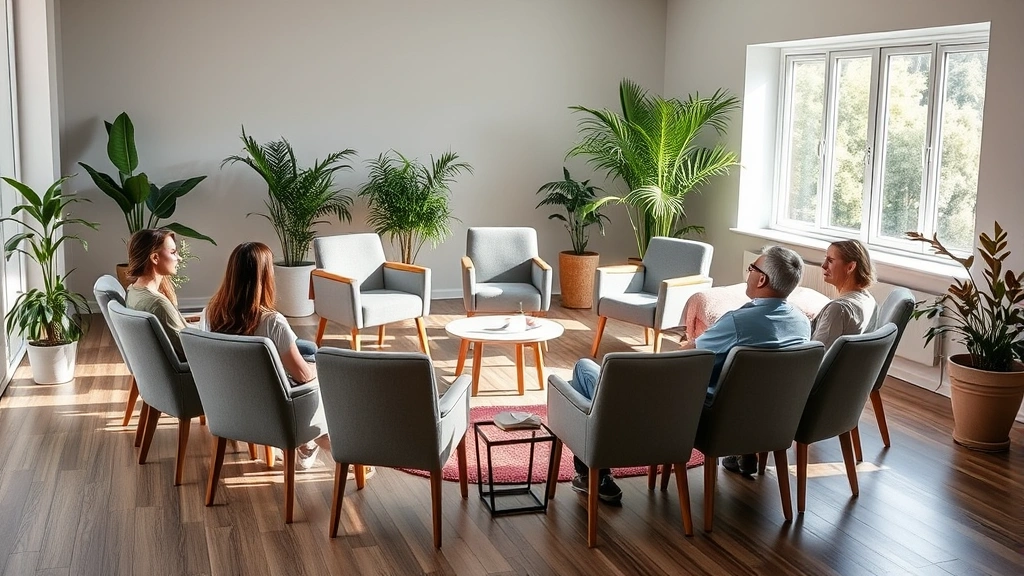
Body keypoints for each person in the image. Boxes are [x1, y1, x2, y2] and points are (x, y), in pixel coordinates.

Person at [568, 246, 812, 491]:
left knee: (584, 370)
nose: (747, 274)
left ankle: (595, 478)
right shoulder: (802, 324)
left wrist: (685, 346)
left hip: (697, 420)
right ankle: (743, 450)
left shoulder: (738, 323)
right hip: (765, 421)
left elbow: (687, 359)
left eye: (751, 268)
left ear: (762, 279)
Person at [204, 242, 324, 469]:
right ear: (265, 276)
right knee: (322, 377)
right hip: (272, 412)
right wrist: (323, 373)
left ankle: (314, 442)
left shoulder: (212, 312)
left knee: (308, 354)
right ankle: (313, 444)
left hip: (229, 406)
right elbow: (303, 377)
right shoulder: (272, 322)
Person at [125, 229, 190, 361]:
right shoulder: (157, 304)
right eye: (173, 252)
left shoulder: (133, 291)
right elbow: (188, 350)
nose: (179, 258)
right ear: (155, 258)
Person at [812, 240, 877, 350]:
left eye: (830, 260)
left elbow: (814, 355)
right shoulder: (870, 300)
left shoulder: (839, 309)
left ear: (850, 267)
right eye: (825, 259)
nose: (823, 265)